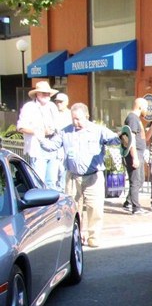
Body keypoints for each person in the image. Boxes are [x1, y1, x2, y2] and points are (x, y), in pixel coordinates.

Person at [37, 102, 121, 248]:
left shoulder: (98, 130)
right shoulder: (65, 132)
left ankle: (93, 236)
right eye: (73, 118)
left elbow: (115, 140)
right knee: (74, 208)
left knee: (94, 207)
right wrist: (40, 138)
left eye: (79, 119)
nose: (76, 122)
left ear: (86, 116)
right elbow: (51, 146)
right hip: (73, 177)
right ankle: (77, 235)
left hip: (93, 176)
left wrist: (124, 136)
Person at [16, 80, 61, 189]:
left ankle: (51, 204)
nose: (46, 95)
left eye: (48, 93)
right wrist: (39, 131)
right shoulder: (29, 107)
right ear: (37, 94)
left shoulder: (52, 107)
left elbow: (58, 125)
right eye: (43, 93)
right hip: (38, 147)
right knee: (39, 181)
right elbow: (20, 127)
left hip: (53, 146)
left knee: (52, 182)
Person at [122, 97, 149, 215]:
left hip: (139, 152)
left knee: (141, 179)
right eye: (146, 107)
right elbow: (131, 138)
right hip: (135, 153)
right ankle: (136, 208)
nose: (147, 110)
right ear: (140, 107)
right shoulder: (132, 118)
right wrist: (134, 157)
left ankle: (128, 201)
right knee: (135, 180)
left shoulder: (136, 118)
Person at [53, 92, 72, 191]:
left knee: (64, 172)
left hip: (66, 148)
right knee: (55, 173)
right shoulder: (53, 114)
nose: (58, 104)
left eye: (61, 102)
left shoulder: (71, 115)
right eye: (57, 102)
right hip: (55, 147)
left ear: (66, 102)